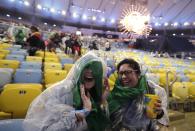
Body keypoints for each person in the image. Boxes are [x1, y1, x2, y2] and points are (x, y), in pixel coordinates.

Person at [23, 52, 110, 131]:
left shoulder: (92, 93)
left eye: (95, 68)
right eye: (86, 67)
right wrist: (78, 114)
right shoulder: (61, 92)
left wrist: (101, 100)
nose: (90, 71)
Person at [107, 58, 169, 131]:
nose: (123, 77)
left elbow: (162, 119)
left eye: (128, 72)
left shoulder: (154, 90)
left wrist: (159, 112)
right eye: (120, 73)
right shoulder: (115, 91)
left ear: (138, 73)